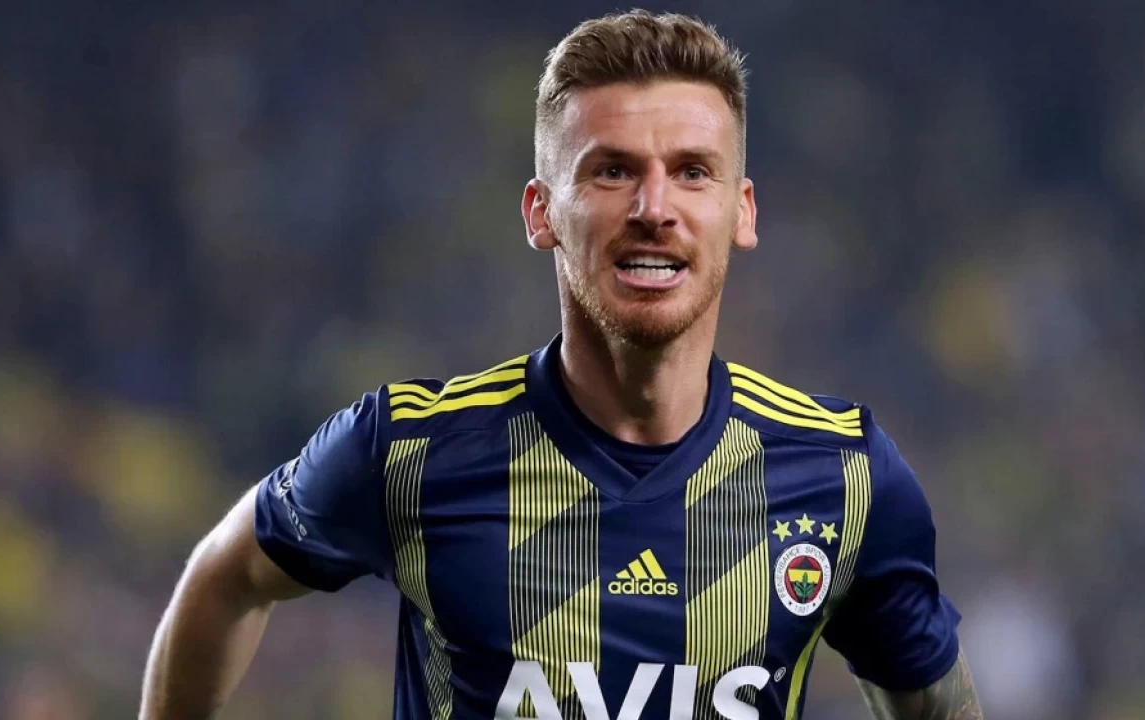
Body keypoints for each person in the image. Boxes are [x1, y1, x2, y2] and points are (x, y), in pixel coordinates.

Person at [139, 10, 981, 720]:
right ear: (541, 212)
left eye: (692, 172)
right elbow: (226, 578)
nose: (654, 208)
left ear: (742, 210)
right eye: (613, 171)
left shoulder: (842, 475)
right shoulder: (407, 452)